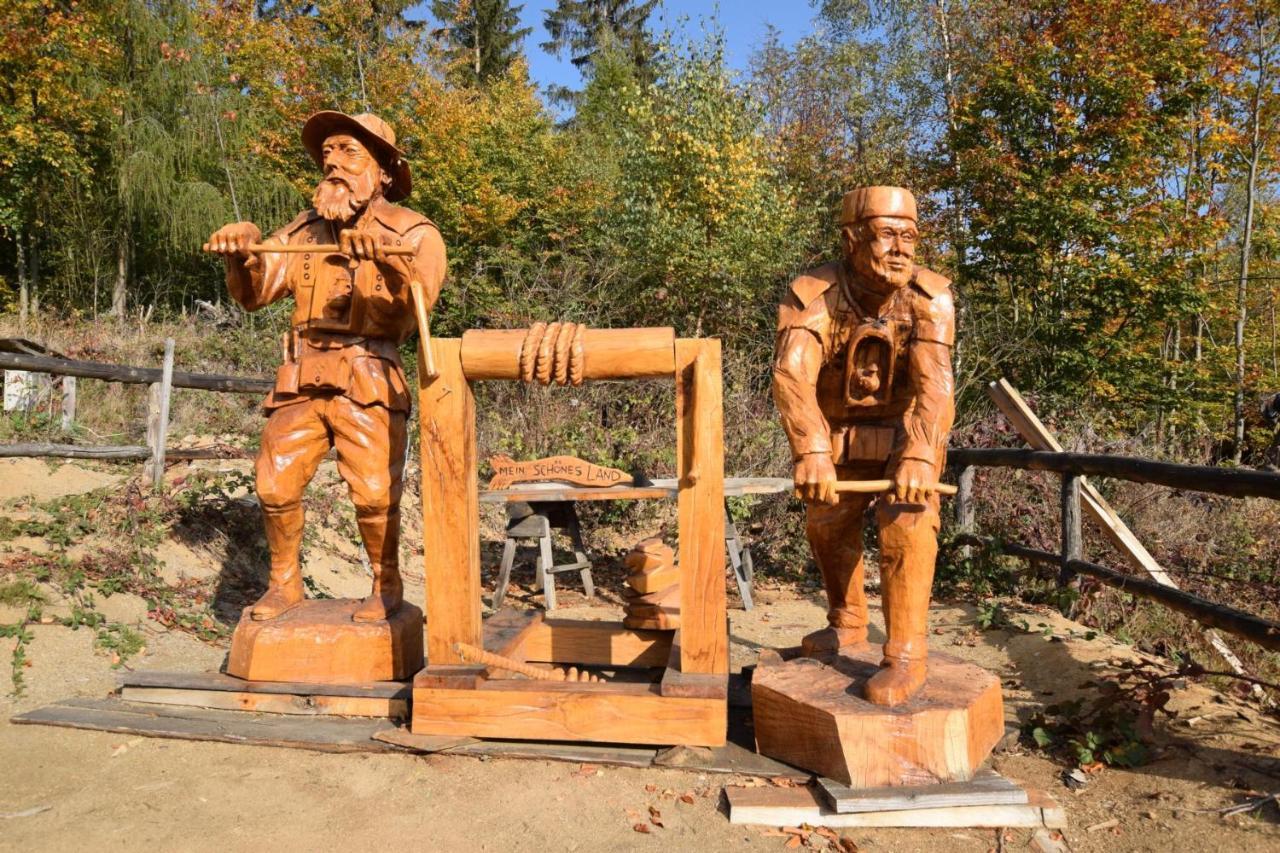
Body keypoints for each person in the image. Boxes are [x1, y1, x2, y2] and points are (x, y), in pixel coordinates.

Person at [205, 111, 446, 624]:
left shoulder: (415, 232)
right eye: (328, 153)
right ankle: (284, 585)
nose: (333, 162)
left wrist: (384, 262)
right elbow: (255, 294)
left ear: (383, 170)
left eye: (349, 152)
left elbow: (413, 316)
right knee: (275, 486)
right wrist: (241, 252)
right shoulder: (303, 231)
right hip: (302, 374)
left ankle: (386, 585)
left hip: (369, 375)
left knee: (376, 493)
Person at [772, 186, 955, 706]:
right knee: (826, 527)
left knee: (908, 525)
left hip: (905, 437)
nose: (902, 249)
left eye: (910, 237)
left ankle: (905, 655)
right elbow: (792, 375)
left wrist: (920, 454)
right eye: (887, 235)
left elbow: (935, 387)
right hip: (835, 440)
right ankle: (848, 622)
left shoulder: (930, 298)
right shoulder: (813, 294)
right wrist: (810, 450)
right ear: (852, 239)